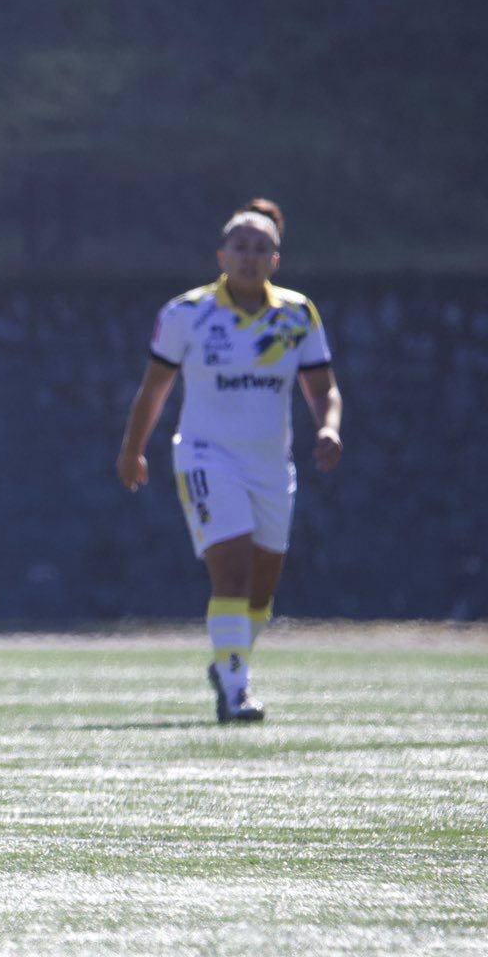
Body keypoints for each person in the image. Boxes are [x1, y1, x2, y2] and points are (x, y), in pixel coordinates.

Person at [117, 198, 342, 723]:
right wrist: (132, 450)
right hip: (205, 457)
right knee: (233, 571)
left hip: (270, 467)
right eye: (241, 247)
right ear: (222, 255)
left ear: (276, 261)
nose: (250, 257)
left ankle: (227, 663)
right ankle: (236, 690)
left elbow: (323, 388)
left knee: (262, 589)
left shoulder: (296, 315)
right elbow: (154, 389)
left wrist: (329, 427)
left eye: (262, 249)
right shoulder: (186, 314)